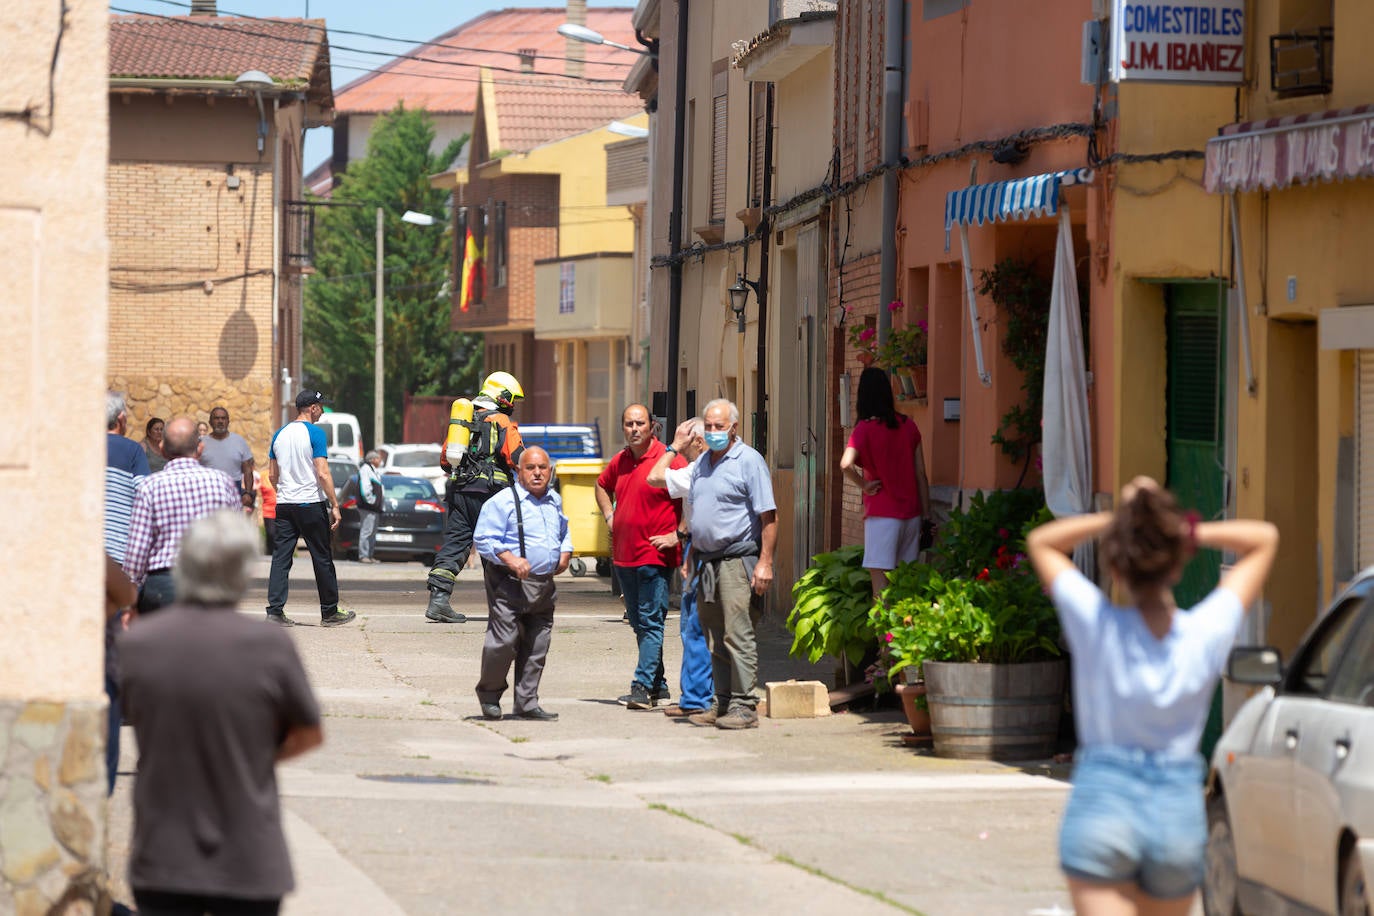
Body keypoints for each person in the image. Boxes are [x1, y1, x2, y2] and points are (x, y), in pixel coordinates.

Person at [1025, 477, 1278, 916]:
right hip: (1175, 813)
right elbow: (1263, 539)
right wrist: (1174, 530)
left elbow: (1043, 542)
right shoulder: (1204, 633)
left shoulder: (1096, 624)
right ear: (1178, 562)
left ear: (1116, 566)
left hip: (1103, 805)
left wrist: (1125, 522)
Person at [119, 510, 323, 916]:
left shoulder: (139, 643)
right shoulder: (269, 644)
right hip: (249, 857)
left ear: (184, 566)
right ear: (244, 571)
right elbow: (309, 732)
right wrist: (254, 757)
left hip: (164, 855)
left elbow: (114, 716)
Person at [648, 400, 777, 731]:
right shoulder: (704, 462)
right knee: (714, 636)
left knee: (738, 633)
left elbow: (768, 515)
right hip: (705, 561)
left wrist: (765, 562)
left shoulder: (749, 461)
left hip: (738, 559)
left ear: (734, 428)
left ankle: (744, 705)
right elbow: (694, 511)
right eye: (709, 426)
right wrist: (691, 556)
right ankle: (720, 703)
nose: (714, 432)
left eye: (720, 426)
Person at [595, 404, 686, 710]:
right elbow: (601, 485)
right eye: (629, 424)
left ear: (652, 427)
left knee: (650, 622)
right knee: (638, 622)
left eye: (640, 423)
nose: (634, 429)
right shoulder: (620, 461)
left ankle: (642, 686)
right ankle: (659, 685)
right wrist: (610, 515)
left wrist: (679, 534)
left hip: (654, 556)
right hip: (623, 557)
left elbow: (694, 495)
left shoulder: (669, 459)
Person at [473, 447, 571, 721]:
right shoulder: (503, 501)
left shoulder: (554, 500)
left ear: (550, 471)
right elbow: (484, 539)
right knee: (503, 642)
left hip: (543, 584)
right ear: (518, 471)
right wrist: (510, 558)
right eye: (531, 468)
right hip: (509, 582)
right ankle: (490, 696)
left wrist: (565, 552)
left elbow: (564, 532)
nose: (538, 473)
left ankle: (527, 702)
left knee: (538, 644)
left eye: (543, 467)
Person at [426, 371, 526, 624]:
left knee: (456, 543)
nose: (512, 405)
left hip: (461, 493)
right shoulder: (502, 421)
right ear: (501, 396)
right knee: (494, 547)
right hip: (492, 496)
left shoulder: (462, 421)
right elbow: (517, 458)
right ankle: (503, 606)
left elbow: (445, 462)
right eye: (511, 399)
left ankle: (438, 600)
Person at [123, 417, 239, 614]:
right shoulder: (223, 483)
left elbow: (137, 551)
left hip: (164, 584)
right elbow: (236, 539)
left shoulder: (150, 487)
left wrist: (129, 600)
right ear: (200, 448)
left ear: (162, 448)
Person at [266, 390, 355, 627]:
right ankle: (329, 612)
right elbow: (323, 472)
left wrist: (285, 493)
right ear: (312, 408)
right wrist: (335, 505)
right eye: (321, 407)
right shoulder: (315, 433)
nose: (323, 412)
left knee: (281, 559)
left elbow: (272, 475)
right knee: (322, 558)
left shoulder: (279, 434)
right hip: (310, 503)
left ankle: (275, 611)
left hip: (285, 504)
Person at [840, 367, 932, 595]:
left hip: (882, 517)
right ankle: (903, 631)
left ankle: (883, 633)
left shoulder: (864, 429)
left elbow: (845, 464)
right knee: (904, 588)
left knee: (881, 592)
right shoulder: (909, 425)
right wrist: (927, 516)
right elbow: (921, 474)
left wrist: (864, 485)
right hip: (911, 516)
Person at [656, 418, 714, 719]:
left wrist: (672, 447)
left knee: (695, 625)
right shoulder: (703, 471)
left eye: (685, 439)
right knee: (694, 625)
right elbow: (692, 511)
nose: (682, 445)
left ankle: (698, 697)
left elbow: (654, 476)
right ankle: (695, 695)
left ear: (697, 442)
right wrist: (683, 544)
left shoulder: (698, 470)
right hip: (696, 547)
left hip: (707, 550)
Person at [200, 405, 256, 514]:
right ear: (210, 422)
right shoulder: (201, 443)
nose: (220, 421)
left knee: (231, 528)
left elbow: (248, 470)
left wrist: (248, 493)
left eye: (223, 418)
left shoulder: (239, 442)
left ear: (228, 421)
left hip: (233, 491)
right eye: (216, 418)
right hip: (207, 494)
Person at [357, 450, 384, 563]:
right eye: (378, 458)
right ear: (372, 459)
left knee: (372, 532)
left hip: (374, 507)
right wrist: (371, 501)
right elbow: (365, 487)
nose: (380, 461)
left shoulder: (374, 471)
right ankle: (363, 555)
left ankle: (370, 554)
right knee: (366, 531)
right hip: (368, 507)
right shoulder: (366, 470)